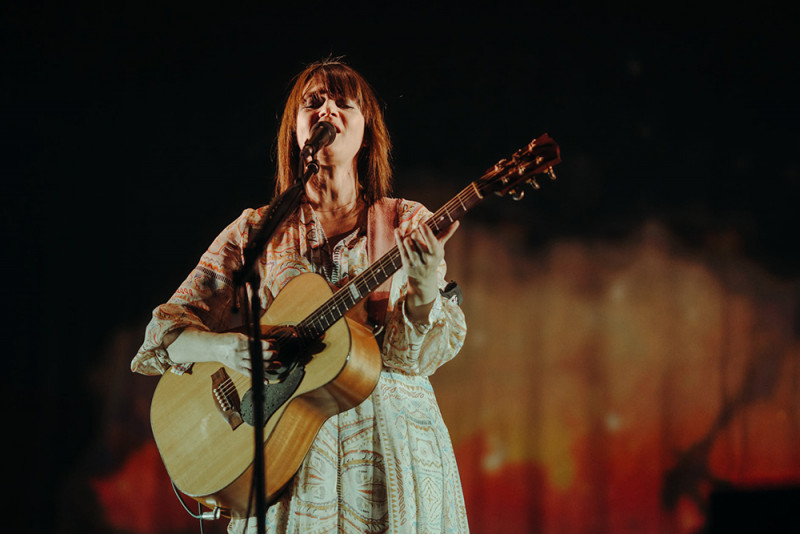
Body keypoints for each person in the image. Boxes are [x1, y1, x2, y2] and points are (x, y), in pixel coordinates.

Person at [131, 58, 469, 533]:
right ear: (296, 130)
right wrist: (231, 348)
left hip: (388, 454)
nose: (327, 109)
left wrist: (424, 285)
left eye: (342, 103)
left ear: (366, 131)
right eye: (313, 102)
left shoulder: (403, 222)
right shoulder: (254, 230)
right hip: (284, 452)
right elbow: (166, 335)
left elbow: (409, 358)